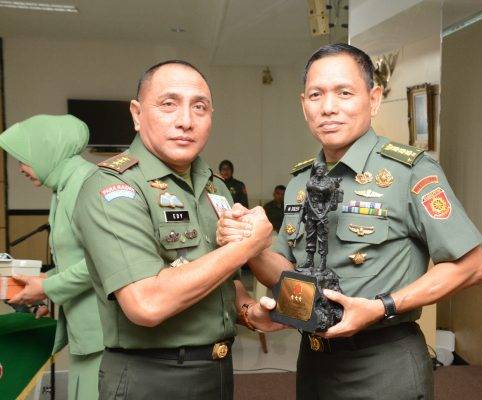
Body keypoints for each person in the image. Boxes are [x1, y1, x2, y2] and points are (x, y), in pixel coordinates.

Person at [217, 44, 482, 399]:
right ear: (304, 104)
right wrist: (250, 244)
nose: (328, 107)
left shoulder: (409, 172)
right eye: (316, 95)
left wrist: (381, 306)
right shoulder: (300, 181)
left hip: (384, 360)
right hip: (314, 360)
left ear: (373, 99)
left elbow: (471, 266)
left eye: (344, 93)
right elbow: (284, 273)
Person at [72, 60, 282, 399]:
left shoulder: (215, 187)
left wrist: (248, 311)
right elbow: (146, 303)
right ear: (137, 114)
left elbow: (223, 281)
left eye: (199, 107)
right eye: (169, 104)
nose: (186, 121)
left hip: (217, 370)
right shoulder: (113, 187)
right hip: (151, 377)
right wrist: (248, 246)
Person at [1, 114, 103, 400]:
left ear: (47, 150)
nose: (21, 168)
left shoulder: (87, 185)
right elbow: (76, 261)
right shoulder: (64, 187)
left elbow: (104, 261)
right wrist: (41, 281)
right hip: (86, 332)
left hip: (104, 333)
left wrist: (46, 287)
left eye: (23, 159)